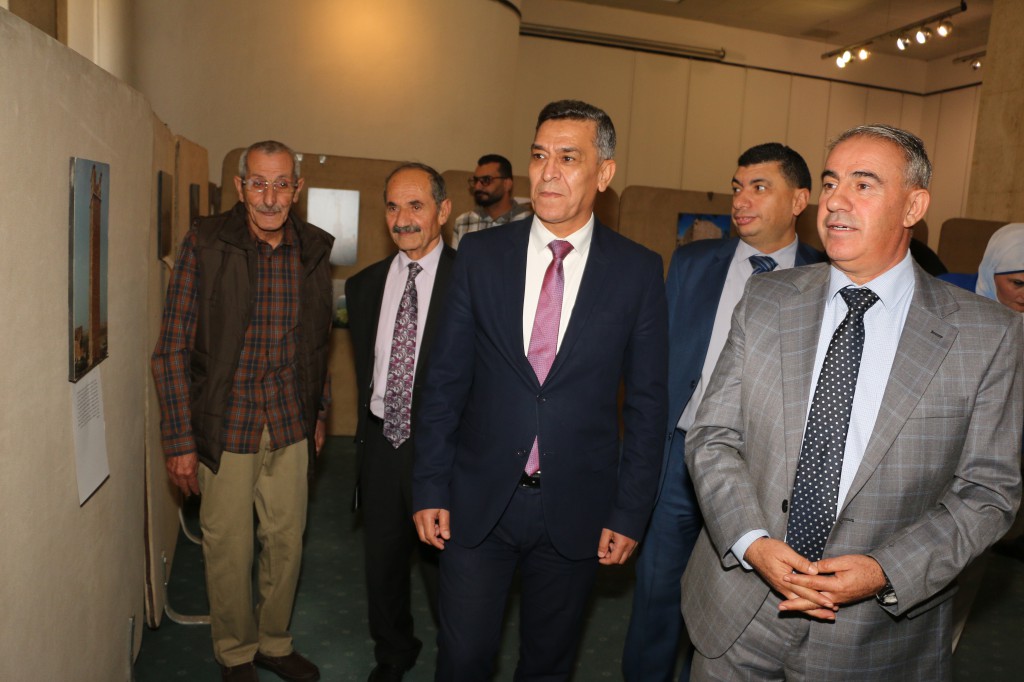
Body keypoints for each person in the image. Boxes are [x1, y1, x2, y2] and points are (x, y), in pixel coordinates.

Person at [681, 124, 1023, 679]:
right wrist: (752, 541)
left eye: (863, 185)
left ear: (914, 206)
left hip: (875, 635)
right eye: (831, 183)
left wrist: (883, 570)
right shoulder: (767, 299)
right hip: (739, 610)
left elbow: (988, 492)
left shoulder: (987, 335)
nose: (836, 201)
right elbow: (713, 435)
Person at [412, 99, 668, 680]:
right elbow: (445, 381)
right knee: (462, 660)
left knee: (548, 665)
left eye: (568, 158)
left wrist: (631, 511)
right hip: (476, 500)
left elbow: (648, 406)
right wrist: (428, 484)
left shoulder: (637, 271)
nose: (548, 172)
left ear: (604, 173)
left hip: (577, 505)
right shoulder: (480, 256)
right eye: (538, 155)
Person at [623, 143, 826, 682]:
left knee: (740, 604)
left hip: (766, 470)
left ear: (799, 201)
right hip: (681, 460)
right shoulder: (692, 264)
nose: (741, 200)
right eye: (737, 187)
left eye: (759, 188)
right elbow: (656, 364)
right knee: (656, 597)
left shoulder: (827, 276)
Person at [151, 140, 332, 682]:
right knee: (228, 548)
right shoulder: (205, 243)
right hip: (225, 424)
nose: (270, 197)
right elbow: (171, 351)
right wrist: (179, 440)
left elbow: (318, 343)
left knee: (286, 542)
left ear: (297, 189)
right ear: (240, 186)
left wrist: (319, 412)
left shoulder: (313, 248)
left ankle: (274, 643)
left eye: (281, 184)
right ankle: (234, 652)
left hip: (290, 422)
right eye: (258, 183)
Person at [345, 163, 455, 682]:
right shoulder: (364, 286)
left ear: (443, 210)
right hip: (381, 444)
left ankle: (459, 657)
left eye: (415, 205)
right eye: (392, 206)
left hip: (445, 449)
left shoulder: (474, 281)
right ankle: (393, 652)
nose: (402, 218)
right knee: (383, 560)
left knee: (447, 566)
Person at [450, 153, 532, 248]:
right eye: (476, 180)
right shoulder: (463, 222)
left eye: (486, 180)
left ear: (507, 184)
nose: (477, 186)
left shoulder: (528, 221)